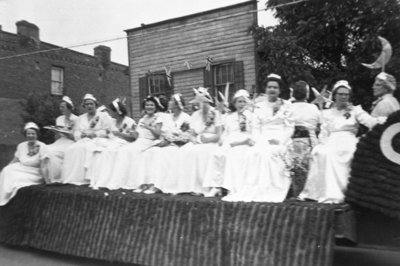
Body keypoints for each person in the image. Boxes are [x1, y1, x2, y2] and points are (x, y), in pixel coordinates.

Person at [299, 80, 386, 203]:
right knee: (321, 152)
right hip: (331, 140)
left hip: (348, 140)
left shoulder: (355, 110)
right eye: (341, 94)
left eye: (346, 94)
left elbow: (370, 122)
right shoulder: (327, 113)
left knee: (344, 152)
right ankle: (317, 193)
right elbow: (324, 132)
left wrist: (385, 120)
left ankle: (340, 193)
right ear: (335, 95)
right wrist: (323, 142)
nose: (343, 97)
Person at [222, 73, 294, 202]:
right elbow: (256, 127)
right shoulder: (259, 106)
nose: (272, 90)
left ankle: (273, 189)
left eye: (275, 87)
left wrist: (280, 140)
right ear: (265, 89)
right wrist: (259, 140)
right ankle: (256, 188)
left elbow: (290, 127)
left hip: (281, 136)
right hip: (263, 136)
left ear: (279, 90)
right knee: (253, 153)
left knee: (271, 152)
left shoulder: (286, 105)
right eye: (269, 87)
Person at [160, 87, 223, 195]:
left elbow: (219, 135)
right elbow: (192, 133)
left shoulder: (215, 113)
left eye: (203, 101)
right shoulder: (195, 115)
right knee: (184, 151)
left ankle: (204, 187)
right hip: (198, 140)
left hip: (212, 141)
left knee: (200, 153)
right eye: (198, 102)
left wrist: (208, 139)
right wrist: (193, 139)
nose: (200, 104)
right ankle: (186, 186)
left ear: (207, 100)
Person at [136, 93, 191, 194]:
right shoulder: (167, 117)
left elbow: (185, 136)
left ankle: (158, 185)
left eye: (171, 101)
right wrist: (165, 139)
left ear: (177, 104)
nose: (169, 103)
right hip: (165, 143)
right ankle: (146, 183)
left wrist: (171, 140)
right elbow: (162, 131)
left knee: (161, 154)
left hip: (177, 145)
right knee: (149, 152)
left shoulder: (186, 118)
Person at [203, 89, 255, 197]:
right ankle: (216, 186)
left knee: (234, 155)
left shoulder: (250, 116)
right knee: (217, 154)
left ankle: (232, 187)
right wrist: (222, 140)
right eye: (239, 102)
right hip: (230, 140)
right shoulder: (230, 117)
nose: (241, 104)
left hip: (244, 140)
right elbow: (226, 132)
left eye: (243, 101)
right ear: (235, 103)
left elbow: (253, 131)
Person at [107, 95, 164, 190]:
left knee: (133, 152)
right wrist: (133, 133)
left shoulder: (158, 118)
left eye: (151, 105)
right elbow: (137, 135)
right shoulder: (142, 119)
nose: (149, 107)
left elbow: (157, 134)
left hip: (149, 141)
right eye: (147, 105)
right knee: (124, 150)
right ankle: (126, 180)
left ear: (155, 107)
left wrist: (148, 127)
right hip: (139, 141)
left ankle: (139, 182)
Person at [61, 93, 112, 185]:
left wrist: (95, 134)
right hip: (84, 140)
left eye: (91, 104)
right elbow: (76, 132)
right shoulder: (80, 118)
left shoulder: (103, 116)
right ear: (84, 106)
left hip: (98, 140)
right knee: (71, 149)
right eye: (87, 104)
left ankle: (87, 178)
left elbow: (108, 131)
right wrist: (81, 135)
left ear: (95, 105)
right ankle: (74, 177)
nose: (89, 106)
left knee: (86, 148)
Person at [89, 98, 136, 189]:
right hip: (112, 142)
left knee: (110, 151)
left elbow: (133, 138)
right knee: (99, 151)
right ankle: (102, 179)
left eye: (111, 111)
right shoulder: (111, 121)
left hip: (124, 143)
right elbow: (107, 133)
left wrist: (120, 134)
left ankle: (114, 179)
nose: (109, 113)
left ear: (117, 111)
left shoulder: (130, 121)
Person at [0, 122, 50, 205]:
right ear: (26, 135)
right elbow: (14, 160)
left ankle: (7, 199)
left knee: (16, 179)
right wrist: (4, 169)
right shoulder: (21, 146)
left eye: (33, 133)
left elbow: (43, 165)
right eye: (28, 133)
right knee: (6, 170)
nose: (30, 136)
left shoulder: (42, 146)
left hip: (34, 172)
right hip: (21, 167)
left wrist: (47, 180)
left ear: (37, 134)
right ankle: (2, 196)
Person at [290, 81, 322, 196]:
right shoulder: (314, 108)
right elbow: (320, 126)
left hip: (292, 146)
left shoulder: (288, 108)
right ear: (307, 94)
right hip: (311, 145)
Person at [46, 96, 78, 182]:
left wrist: (65, 133)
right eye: (60, 107)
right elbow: (57, 136)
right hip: (60, 141)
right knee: (46, 149)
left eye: (63, 107)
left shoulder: (76, 119)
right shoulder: (59, 119)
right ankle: (49, 175)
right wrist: (55, 132)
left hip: (70, 142)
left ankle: (57, 175)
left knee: (52, 151)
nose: (61, 109)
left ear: (69, 108)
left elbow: (76, 137)